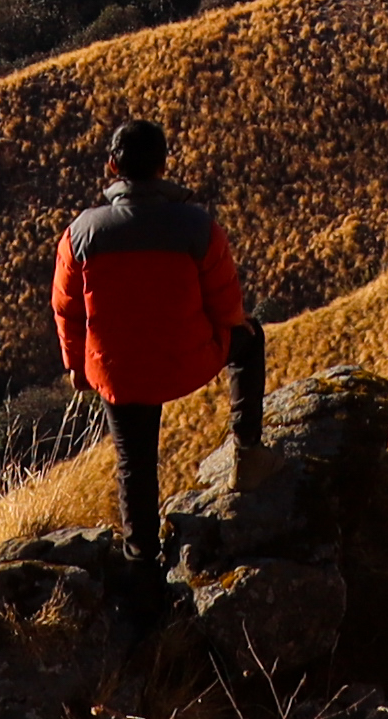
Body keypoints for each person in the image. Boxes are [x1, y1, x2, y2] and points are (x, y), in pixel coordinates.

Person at [49, 118, 262, 564]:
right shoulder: (196, 225)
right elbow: (227, 308)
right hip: (187, 362)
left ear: (111, 167)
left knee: (135, 467)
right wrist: (229, 326)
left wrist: (76, 366)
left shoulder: (80, 234)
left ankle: (142, 565)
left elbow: (67, 310)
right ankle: (248, 453)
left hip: (118, 373)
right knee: (251, 339)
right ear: (164, 165)